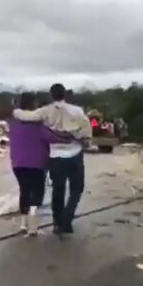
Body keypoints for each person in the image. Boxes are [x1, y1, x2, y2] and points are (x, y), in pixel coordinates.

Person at [13, 84, 91, 236]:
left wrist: (16, 111)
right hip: (75, 153)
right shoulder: (77, 111)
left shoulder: (45, 111)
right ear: (65, 95)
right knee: (77, 188)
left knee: (58, 190)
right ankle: (67, 218)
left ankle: (57, 223)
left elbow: (26, 116)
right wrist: (85, 141)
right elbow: (86, 128)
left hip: (56, 156)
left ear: (51, 95)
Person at [9, 92, 69, 236]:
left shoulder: (13, 123)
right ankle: (33, 226)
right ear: (33, 104)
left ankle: (23, 224)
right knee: (37, 193)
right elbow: (52, 137)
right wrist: (69, 139)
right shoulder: (39, 125)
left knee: (24, 190)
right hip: (36, 164)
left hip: (18, 163)